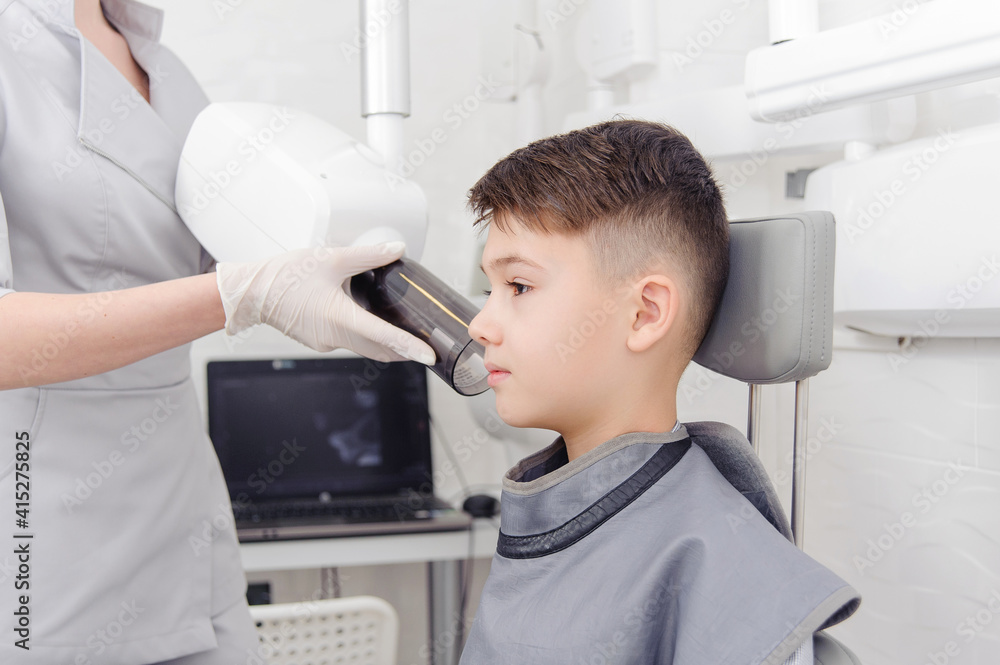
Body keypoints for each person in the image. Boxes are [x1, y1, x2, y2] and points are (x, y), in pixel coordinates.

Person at [0, 0, 433, 663]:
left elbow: (225, 240)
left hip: (183, 507)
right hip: (50, 523)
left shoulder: (165, 68)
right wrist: (242, 293)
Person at [459, 120, 860, 664]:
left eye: (520, 286)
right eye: (490, 289)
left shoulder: (724, 569)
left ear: (646, 313)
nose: (480, 325)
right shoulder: (553, 505)